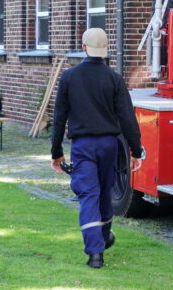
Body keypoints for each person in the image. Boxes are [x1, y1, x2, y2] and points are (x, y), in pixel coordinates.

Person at [50, 28, 144, 269]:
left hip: (83, 146)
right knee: (104, 193)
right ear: (105, 50)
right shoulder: (114, 78)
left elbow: (59, 117)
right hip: (109, 145)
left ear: (83, 47)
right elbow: (127, 118)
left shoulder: (69, 77)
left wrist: (56, 153)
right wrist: (136, 150)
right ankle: (103, 237)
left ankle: (95, 253)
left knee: (89, 196)